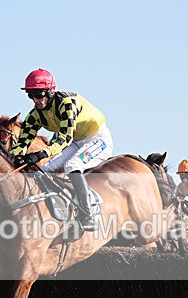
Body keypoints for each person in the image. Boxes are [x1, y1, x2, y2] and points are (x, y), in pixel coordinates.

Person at [10, 69, 113, 231]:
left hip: (97, 139)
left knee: (72, 165)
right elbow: (22, 143)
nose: (35, 100)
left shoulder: (67, 104)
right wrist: (14, 158)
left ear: (50, 90)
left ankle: (88, 216)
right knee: (45, 169)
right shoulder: (35, 115)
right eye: (31, 95)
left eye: (39, 94)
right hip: (77, 141)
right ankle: (63, 213)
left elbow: (65, 138)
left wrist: (41, 154)